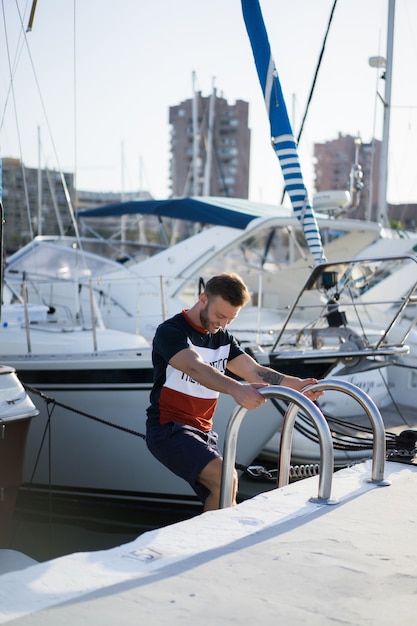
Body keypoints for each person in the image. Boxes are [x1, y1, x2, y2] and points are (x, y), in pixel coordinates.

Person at [146, 272, 323, 512]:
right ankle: (213, 545)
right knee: (225, 479)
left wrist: (298, 385)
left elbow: (254, 370)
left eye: (230, 319)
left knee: (225, 490)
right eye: (220, 316)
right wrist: (236, 389)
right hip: (169, 428)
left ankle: (213, 544)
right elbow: (195, 367)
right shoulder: (171, 332)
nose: (222, 324)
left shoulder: (222, 338)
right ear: (203, 299)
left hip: (204, 433)